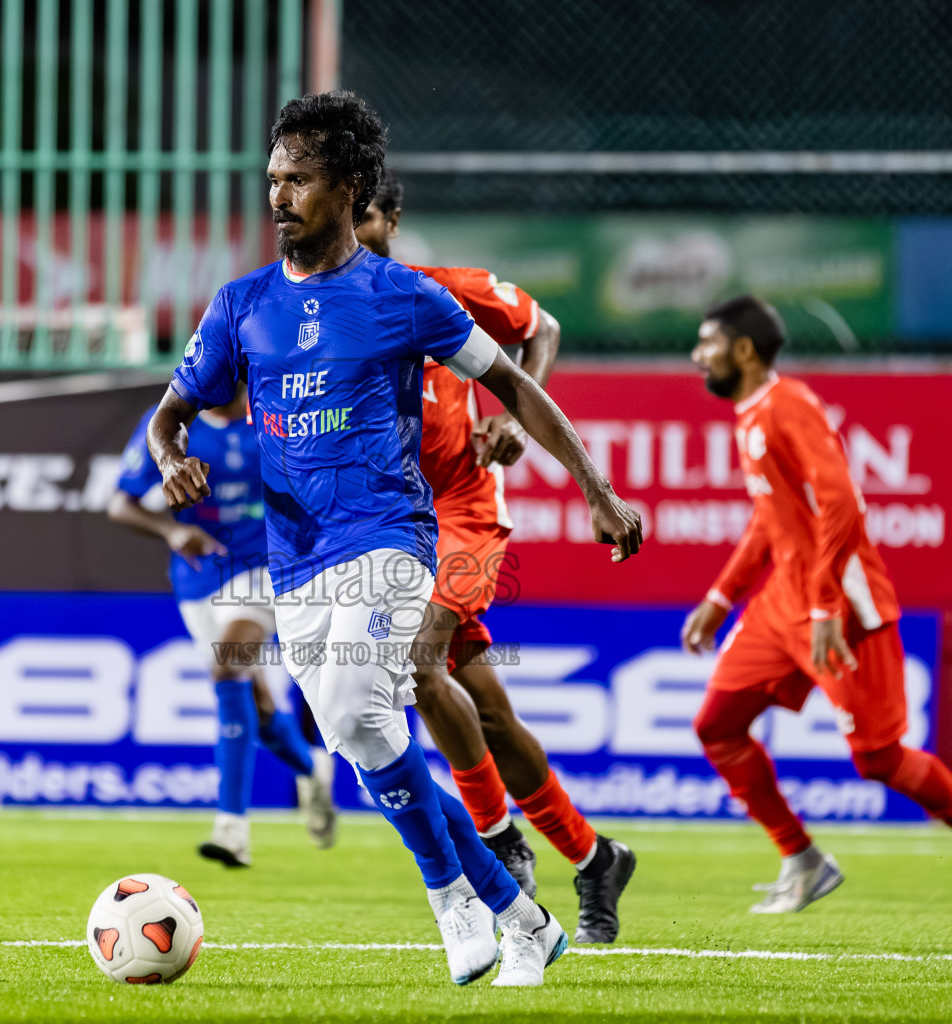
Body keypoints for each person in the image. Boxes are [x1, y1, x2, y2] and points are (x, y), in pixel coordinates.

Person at [148, 91, 644, 987]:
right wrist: (171, 456)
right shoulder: (240, 304)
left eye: (299, 180)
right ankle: (522, 915)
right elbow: (171, 413)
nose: (279, 196)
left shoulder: (406, 296)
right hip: (295, 557)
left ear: (350, 189)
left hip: (390, 535)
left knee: (363, 707)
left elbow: (516, 382)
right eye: (273, 178)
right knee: (366, 739)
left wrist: (596, 489)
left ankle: (453, 898)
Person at [354, 171, 635, 944]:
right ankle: (596, 857)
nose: (353, 231)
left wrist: (513, 416)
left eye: (365, 216)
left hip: (466, 510)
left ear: (392, 220)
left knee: (419, 664)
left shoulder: (445, 291)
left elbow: (541, 329)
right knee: (491, 720)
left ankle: (500, 840)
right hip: (397, 526)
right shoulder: (329, 315)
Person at [681, 295, 952, 915]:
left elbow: (841, 503)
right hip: (782, 604)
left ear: (744, 350)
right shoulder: (749, 414)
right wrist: (720, 596)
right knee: (717, 726)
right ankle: (802, 859)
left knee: (878, 758)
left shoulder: (789, 405)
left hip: (841, 605)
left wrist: (824, 607)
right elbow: (771, 519)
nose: (696, 356)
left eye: (707, 343)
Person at [110, 388, 337, 866]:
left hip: (264, 568)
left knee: (228, 666)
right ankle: (311, 771)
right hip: (198, 577)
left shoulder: (277, 414)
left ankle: (232, 828)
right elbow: (120, 503)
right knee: (259, 707)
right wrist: (173, 530)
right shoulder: (167, 425)